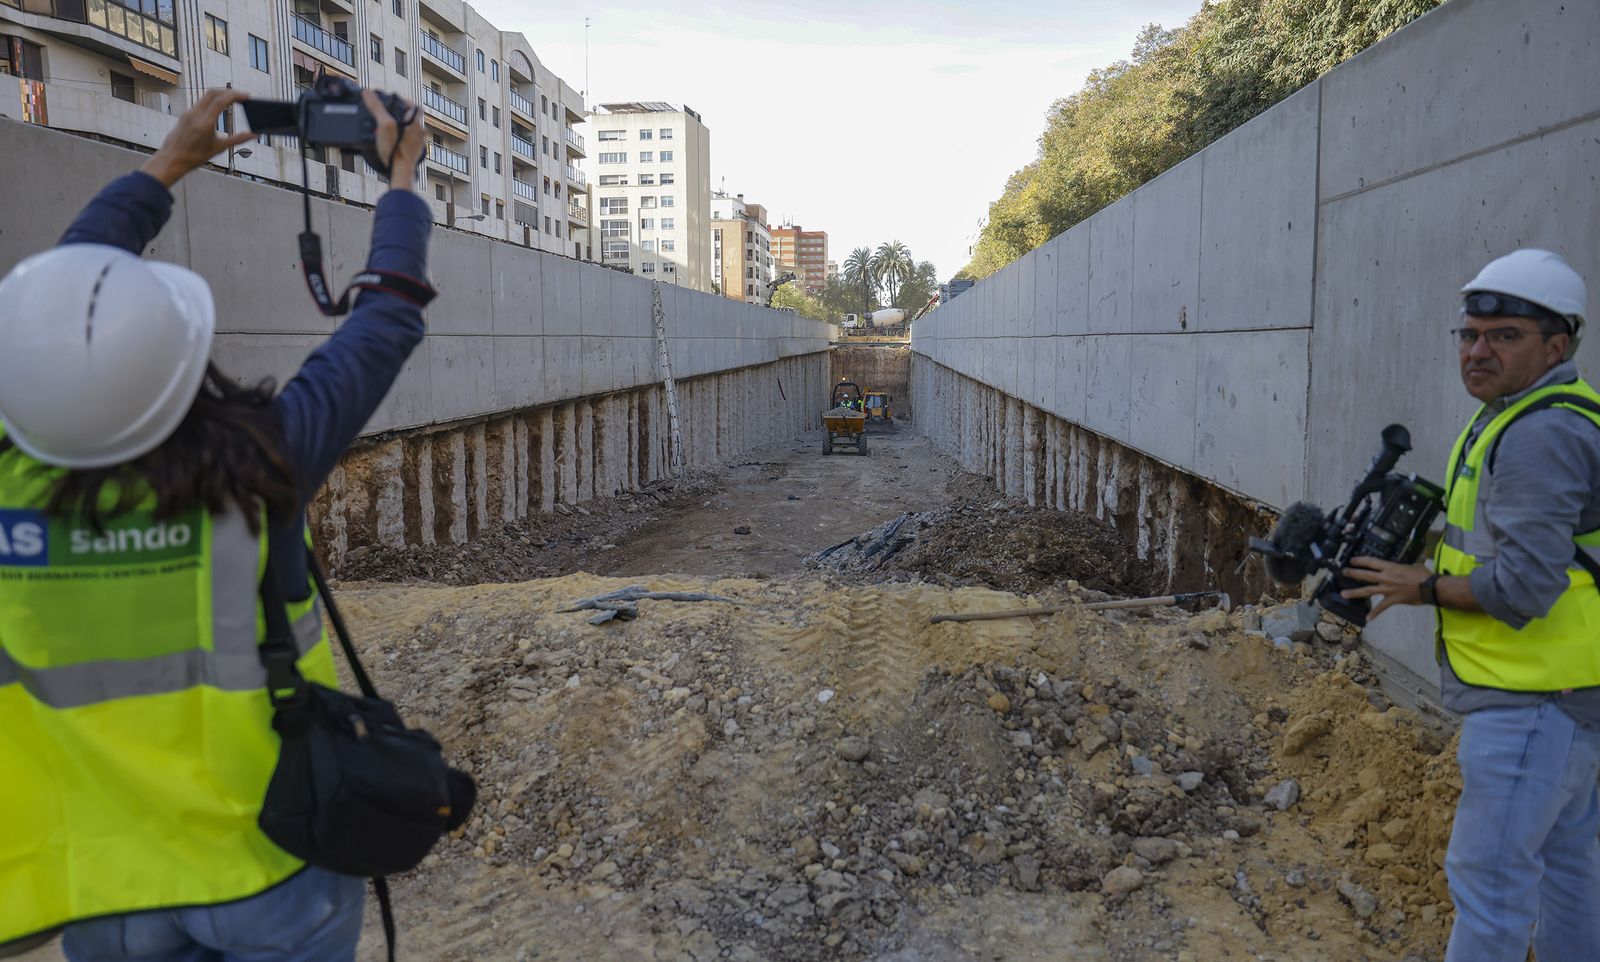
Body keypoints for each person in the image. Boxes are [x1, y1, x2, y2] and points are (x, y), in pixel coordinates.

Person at [0, 87, 430, 961]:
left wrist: (163, 167)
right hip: (268, 860)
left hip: (104, 880)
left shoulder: (12, 483)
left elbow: (58, 323)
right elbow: (384, 316)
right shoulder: (259, 463)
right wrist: (402, 181)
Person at [1341, 249, 1600, 962]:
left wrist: (1416, 587)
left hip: (1533, 702)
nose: (1477, 350)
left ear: (1558, 344)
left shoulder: (1540, 433)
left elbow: (1524, 586)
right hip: (1565, 696)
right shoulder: (1522, 416)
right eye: (1469, 335)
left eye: (1504, 336)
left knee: (1489, 892)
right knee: (1569, 874)